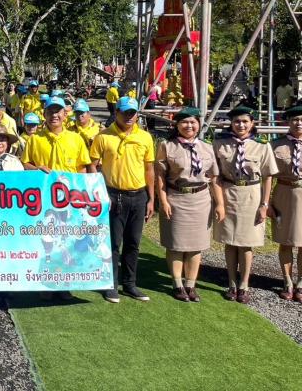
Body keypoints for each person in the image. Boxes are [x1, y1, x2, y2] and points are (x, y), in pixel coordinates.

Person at [156, 107, 225, 302]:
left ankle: (190, 285)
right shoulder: (167, 146)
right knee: (176, 245)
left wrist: (219, 204)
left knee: (196, 246)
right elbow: (160, 177)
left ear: (199, 125)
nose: (189, 126)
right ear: (177, 125)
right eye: (184, 122)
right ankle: (177, 284)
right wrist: (163, 201)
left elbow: (214, 178)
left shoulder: (207, 148)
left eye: (193, 122)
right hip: (176, 199)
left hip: (201, 200)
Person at [90, 96, 155, 303]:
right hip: (113, 195)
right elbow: (92, 165)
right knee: (113, 243)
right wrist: (100, 192)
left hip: (138, 195)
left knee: (133, 243)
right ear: (116, 112)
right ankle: (110, 284)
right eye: (125, 112)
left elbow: (149, 169)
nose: (129, 116)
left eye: (132, 113)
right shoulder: (103, 136)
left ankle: (129, 284)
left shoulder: (145, 137)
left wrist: (151, 199)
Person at [213, 106, 278, 304]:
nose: (240, 125)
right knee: (230, 241)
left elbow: (267, 177)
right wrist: (219, 203)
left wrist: (264, 204)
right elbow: (215, 176)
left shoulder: (262, 146)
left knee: (246, 243)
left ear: (252, 123)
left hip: (251, 195)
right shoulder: (220, 144)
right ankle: (232, 282)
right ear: (231, 123)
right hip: (229, 193)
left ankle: (244, 284)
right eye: (236, 121)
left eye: (244, 121)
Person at [271, 103, 302, 302]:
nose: (299, 123)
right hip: (284, 193)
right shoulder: (276, 145)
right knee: (285, 241)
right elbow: (266, 176)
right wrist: (266, 203)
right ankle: (287, 281)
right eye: (295, 119)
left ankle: (301, 283)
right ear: (288, 122)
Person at [22, 97, 93, 174]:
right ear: (44, 114)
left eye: (58, 111)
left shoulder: (76, 139)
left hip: (69, 182)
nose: (54, 115)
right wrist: (36, 169)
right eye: (50, 111)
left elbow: (82, 168)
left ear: (65, 114)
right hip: (43, 181)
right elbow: (24, 163)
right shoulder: (34, 139)